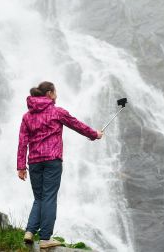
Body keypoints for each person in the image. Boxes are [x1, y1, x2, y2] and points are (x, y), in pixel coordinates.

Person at [17, 81, 103, 248]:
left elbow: (22, 142)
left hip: (34, 162)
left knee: (39, 197)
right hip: (52, 160)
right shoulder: (57, 112)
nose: (57, 94)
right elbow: (77, 125)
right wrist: (95, 134)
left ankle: (29, 231)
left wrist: (21, 166)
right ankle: (45, 238)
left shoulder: (27, 116)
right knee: (49, 197)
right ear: (49, 93)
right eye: (55, 92)